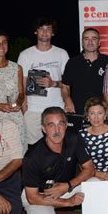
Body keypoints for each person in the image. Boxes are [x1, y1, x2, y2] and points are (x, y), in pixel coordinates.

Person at [21, 107, 96, 214]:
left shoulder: (74, 138)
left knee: (97, 185)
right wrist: (68, 202)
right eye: (51, 125)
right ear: (43, 128)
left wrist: (67, 186)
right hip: (40, 195)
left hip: (66, 187)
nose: (57, 130)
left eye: (60, 124)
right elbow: (32, 197)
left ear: (66, 125)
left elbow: (90, 169)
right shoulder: (32, 156)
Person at [18, 17, 69, 146]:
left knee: (58, 147)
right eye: (41, 28)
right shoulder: (25, 55)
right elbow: (22, 85)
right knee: (35, 150)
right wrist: (25, 112)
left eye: (48, 29)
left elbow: (67, 83)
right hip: (33, 111)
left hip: (57, 109)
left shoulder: (62, 53)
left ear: (53, 32)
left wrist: (53, 84)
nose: (44, 32)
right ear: (36, 31)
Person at [61, 28, 108, 115]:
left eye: (94, 38)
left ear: (99, 42)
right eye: (86, 39)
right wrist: (67, 100)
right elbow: (65, 86)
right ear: (82, 42)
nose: (90, 42)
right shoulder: (73, 62)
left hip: (102, 113)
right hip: (78, 111)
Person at [80, 96, 108, 180]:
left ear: (105, 115)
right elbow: (81, 165)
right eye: (92, 113)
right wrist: (102, 175)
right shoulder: (81, 136)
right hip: (91, 175)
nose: (96, 117)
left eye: (99, 113)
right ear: (87, 116)